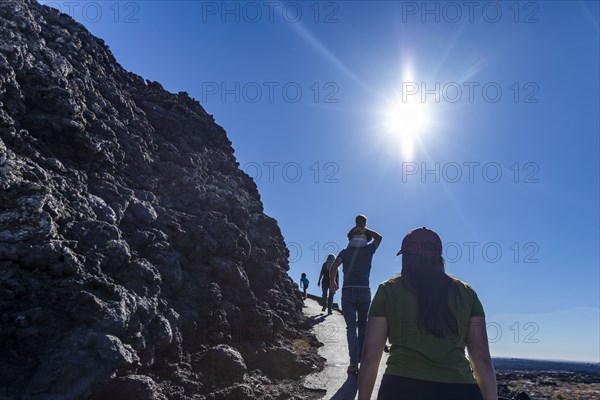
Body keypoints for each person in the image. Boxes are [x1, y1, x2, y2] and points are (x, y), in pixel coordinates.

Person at [358, 227, 498, 400]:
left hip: (400, 389)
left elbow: (370, 357)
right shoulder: (467, 293)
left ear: (406, 257)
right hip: (460, 391)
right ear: (438, 257)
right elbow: (482, 359)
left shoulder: (388, 291)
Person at [330, 214, 382, 374]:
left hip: (348, 292)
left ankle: (354, 364)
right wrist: (364, 228)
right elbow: (379, 237)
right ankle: (362, 360)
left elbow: (333, 267)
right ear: (366, 237)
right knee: (363, 327)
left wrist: (333, 282)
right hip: (365, 292)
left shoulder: (345, 252)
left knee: (351, 328)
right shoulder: (368, 249)